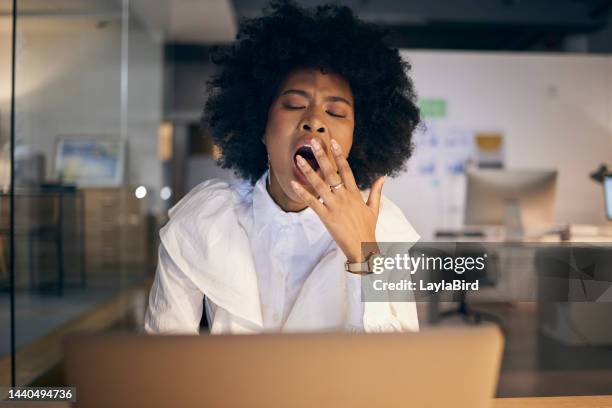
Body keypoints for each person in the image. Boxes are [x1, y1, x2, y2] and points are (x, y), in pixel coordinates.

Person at [144, 0, 421, 334]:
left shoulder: (383, 227)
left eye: (335, 113)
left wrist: (364, 256)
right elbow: (165, 361)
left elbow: (397, 370)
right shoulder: (204, 220)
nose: (315, 121)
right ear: (261, 125)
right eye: (293, 104)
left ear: (356, 139)